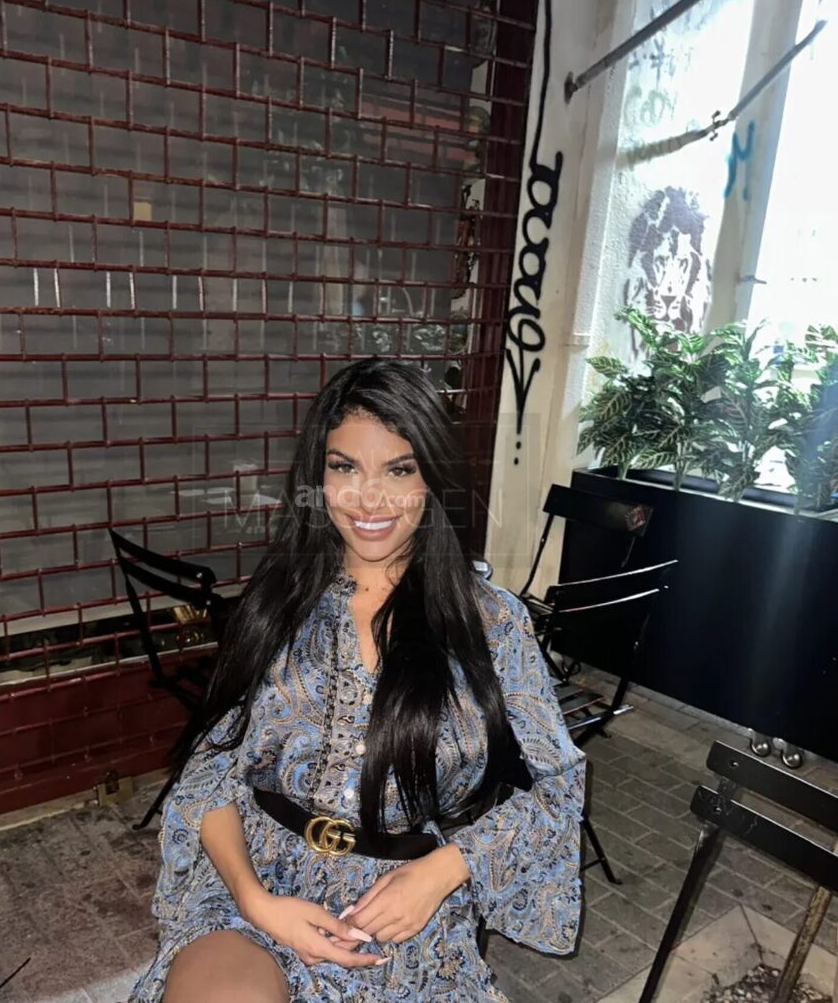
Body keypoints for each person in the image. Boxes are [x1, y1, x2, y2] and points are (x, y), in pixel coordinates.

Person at [130, 359, 585, 1003]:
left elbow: (557, 790)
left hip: (399, 908)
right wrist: (258, 902)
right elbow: (209, 771)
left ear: (433, 478)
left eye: (398, 470)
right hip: (257, 886)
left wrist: (443, 872)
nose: (369, 500)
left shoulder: (491, 623)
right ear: (317, 479)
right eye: (345, 468)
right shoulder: (277, 602)